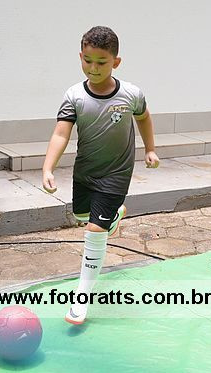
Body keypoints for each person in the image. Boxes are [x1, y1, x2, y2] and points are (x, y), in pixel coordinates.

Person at [42, 26, 160, 325]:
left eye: (101, 62)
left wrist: (150, 149)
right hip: (86, 171)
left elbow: (144, 117)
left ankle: (81, 298)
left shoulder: (131, 94)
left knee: (94, 230)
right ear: (80, 57)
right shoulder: (74, 95)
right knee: (82, 216)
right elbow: (61, 133)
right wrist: (48, 167)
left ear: (115, 62)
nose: (93, 68)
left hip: (116, 172)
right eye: (88, 60)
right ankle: (115, 215)